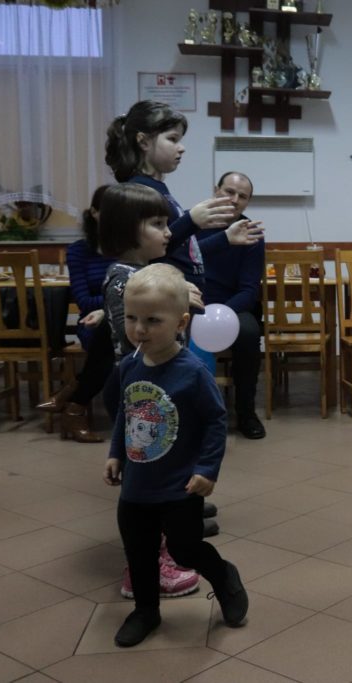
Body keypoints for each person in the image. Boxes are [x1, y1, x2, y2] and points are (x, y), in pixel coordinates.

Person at [103, 263, 248, 647]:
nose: (139, 329)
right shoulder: (129, 366)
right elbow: (126, 414)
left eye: (152, 320)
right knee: (139, 551)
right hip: (136, 486)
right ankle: (145, 611)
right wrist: (116, 453)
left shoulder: (192, 372)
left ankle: (223, 576)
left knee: (185, 549)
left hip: (180, 485)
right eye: (131, 318)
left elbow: (216, 421)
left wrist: (207, 469)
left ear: (181, 323)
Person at [97, 182, 208, 599]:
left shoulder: (138, 276)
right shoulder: (125, 281)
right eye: (158, 224)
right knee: (146, 484)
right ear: (129, 230)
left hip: (152, 392)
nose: (168, 232)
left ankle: (160, 552)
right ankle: (143, 568)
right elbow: (138, 345)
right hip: (140, 393)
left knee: (162, 473)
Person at [104, 100, 261, 292]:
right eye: (172, 139)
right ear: (144, 142)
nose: (181, 147)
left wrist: (224, 238)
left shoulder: (158, 188)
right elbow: (149, 253)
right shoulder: (139, 191)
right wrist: (191, 221)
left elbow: (181, 251)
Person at [37, 185, 115, 443]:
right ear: (94, 213)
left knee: (114, 335)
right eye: (110, 211)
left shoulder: (130, 247)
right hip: (91, 322)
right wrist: (117, 297)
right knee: (107, 337)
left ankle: (71, 398)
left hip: (124, 320)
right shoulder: (79, 250)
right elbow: (84, 301)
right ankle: (74, 405)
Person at [203, 172, 267, 439]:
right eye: (229, 191)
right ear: (215, 190)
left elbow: (249, 289)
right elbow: (183, 258)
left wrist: (222, 314)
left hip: (232, 306)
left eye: (242, 196)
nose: (234, 199)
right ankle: (188, 412)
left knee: (250, 332)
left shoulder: (251, 233)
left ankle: (246, 412)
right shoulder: (192, 222)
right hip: (191, 302)